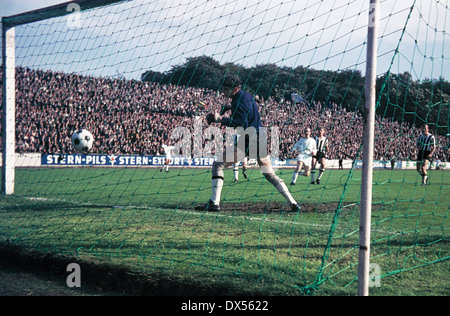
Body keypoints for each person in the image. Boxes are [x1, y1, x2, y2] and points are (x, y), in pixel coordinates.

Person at [195, 75, 301, 212]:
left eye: (226, 89)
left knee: (218, 165)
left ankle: (214, 204)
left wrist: (219, 119)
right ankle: (293, 203)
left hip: (248, 138)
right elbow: (245, 111)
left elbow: (241, 124)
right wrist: (228, 107)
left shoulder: (239, 101)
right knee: (269, 174)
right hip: (260, 137)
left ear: (235, 89)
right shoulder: (245, 96)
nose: (223, 92)